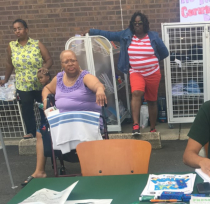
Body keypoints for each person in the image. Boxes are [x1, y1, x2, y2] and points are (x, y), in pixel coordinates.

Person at [22, 50, 106, 185]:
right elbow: (47, 89)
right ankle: (40, 171)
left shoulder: (85, 76)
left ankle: (91, 169)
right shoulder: (59, 78)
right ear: (62, 65)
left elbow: (97, 84)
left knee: (47, 130)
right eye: (66, 61)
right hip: (65, 123)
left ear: (77, 62)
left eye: (73, 60)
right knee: (41, 131)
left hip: (86, 123)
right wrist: (45, 100)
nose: (70, 64)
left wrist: (100, 90)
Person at [86, 12, 169, 135]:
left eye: (140, 23)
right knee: (136, 93)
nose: (137, 25)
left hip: (153, 72)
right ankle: (136, 126)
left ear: (144, 24)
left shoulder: (153, 36)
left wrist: (151, 61)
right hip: (136, 72)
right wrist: (91, 32)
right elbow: (109, 35)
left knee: (152, 100)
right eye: (134, 23)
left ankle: (152, 128)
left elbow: (164, 53)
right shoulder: (126, 35)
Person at [0, 19, 53, 139]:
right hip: (23, 85)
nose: (17, 31)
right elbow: (9, 64)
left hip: (39, 84)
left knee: (43, 107)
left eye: (20, 28)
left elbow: (49, 59)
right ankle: (31, 132)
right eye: (15, 29)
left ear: (26, 29)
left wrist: (44, 68)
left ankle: (45, 130)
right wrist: (6, 79)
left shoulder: (36, 44)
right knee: (27, 109)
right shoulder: (11, 46)